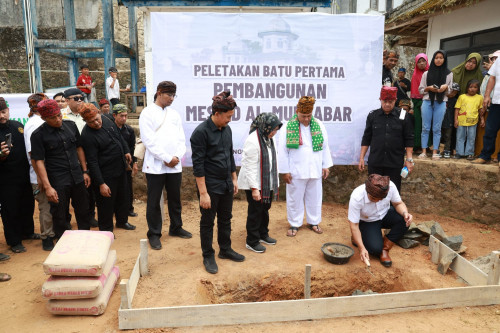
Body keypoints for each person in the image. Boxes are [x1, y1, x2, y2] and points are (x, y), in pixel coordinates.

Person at [190, 91, 245, 274]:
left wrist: (234, 178)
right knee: (207, 221)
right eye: (228, 117)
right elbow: (198, 166)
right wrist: (203, 193)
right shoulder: (200, 133)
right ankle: (208, 255)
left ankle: (225, 249)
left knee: (225, 218)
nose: (230, 120)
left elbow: (230, 154)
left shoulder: (227, 129)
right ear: (217, 113)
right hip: (210, 185)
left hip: (226, 183)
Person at [139, 81, 191, 250]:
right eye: (169, 95)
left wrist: (176, 156)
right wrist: (166, 158)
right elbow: (148, 140)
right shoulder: (147, 113)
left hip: (174, 164)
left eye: (173, 95)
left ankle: (176, 227)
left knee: (175, 198)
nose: (171, 98)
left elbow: (181, 139)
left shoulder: (174, 114)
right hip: (155, 165)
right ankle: (154, 234)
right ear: (159, 93)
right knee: (154, 201)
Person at [30, 99, 91, 239]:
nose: (58, 120)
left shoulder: (71, 125)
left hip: (77, 176)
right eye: (53, 118)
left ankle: (85, 240)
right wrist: (48, 187)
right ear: (44, 118)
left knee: (84, 210)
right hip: (57, 180)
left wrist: (85, 171)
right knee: (59, 214)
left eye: (59, 115)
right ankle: (63, 247)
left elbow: (79, 148)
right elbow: (38, 161)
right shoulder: (38, 135)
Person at [278, 96, 333, 237]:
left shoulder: (319, 124)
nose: (307, 119)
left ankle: (313, 222)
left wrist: (326, 165)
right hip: (295, 170)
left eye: (309, 116)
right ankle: (295, 224)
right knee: (294, 198)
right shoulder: (287, 127)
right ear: (297, 112)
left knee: (315, 197)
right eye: (303, 116)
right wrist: (284, 171)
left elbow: (325, 147)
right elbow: (282, 151)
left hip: (315, 169)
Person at [80, 103, 135, 232]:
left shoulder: (107, 119)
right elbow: (92, 162)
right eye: (91, 122)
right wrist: (101, 183)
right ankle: (106, 229)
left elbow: (119, 137)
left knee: (123, 197)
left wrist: (126, 150)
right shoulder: (87, 136)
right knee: (106, 204)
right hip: (105, 174)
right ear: (85, 121)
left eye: (97, 119)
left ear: (99, 113)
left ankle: (122, 221)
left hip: (120, 168)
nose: (97, 123)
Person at [237, 113, 282, 253]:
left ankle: (263, 234)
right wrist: (255, 189)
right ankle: (252, 240)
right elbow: (249, 167)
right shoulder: (253, 140)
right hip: (254, 183)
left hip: (266, 182)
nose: (275, 132)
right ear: (266, 127)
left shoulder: (267, 138)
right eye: (273, 129)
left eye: (276, 130)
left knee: (265, 208)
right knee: (255, 211)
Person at [348, 174, 413, 267]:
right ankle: (359, 237)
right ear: (368, 191)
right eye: (374, 198)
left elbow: (398, 203)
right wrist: (362, 248)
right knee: (375, 249)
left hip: (385, 214)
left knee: (404, 220)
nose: (377, 201)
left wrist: (405, 213)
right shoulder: (357, 196)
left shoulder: (390, 187)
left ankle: (385, 249)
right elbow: (353, 225)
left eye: (381, 199)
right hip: (368, 221)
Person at [359, 86, 414, 194]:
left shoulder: (403, 115)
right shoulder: (372, 116)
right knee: (373, 192)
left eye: (391, 101)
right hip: (376, 162)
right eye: (385, 101)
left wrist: (409, 159)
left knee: (393, 192)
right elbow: (366, 138)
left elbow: (409, 138)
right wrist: (361, 158)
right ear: (380, 100)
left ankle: (392, 211)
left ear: (395, 100)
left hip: (394, 163)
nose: (387, 104)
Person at [0, 97, 36, 253]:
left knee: (27, 205)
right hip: (5, 179)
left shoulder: (18, 126)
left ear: (8, 111)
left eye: (3, 111)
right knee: (10, 210)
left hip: (24, 175)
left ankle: (27, 232)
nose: (1, 116)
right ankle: (14, 241)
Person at [24, 93, 56, 251]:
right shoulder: (34, 125)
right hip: (39, 175)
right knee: (45, 207)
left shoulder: (41, 122)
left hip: (49, 172)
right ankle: (47, 237)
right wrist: (41, 180)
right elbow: (33, 156)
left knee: (52, 206)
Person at [63, 88, 98, 228]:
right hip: (71, 160)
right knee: (71, 193)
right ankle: (66, 221)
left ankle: (90, 216)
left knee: (91, 192)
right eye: (75, 98)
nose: (79, 101)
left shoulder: (88, 114)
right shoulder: (61, 117)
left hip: (90, 157)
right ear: (66, 101)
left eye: (81, 97)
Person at [418, 50, 453, 160]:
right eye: (436, 57)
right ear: (433, 59)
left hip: (441, 102)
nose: (438, 60)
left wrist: (446, 87)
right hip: (427, 101)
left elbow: (450, 92)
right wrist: (429, 88)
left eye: (441, 57)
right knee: (425, 128)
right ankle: (423, 151)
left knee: (437, 128)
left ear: (445, 59)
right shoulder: (426, 73)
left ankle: (435, 152)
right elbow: (421, 90)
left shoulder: (449, 74)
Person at [112, 104, 138, 217]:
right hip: (113, 163)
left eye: (125, 116)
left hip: (127, 163)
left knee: (127, 187)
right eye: (121, 116)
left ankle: (128, 209)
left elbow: (133, 148)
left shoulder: (129, 130)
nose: (124, 118)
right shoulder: (110, 129)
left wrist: (135, 163)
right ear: (114, 115)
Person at [476, 51, 500, 159]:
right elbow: (492, 78)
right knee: (490, 129)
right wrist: (486, 96)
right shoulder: (499, 61)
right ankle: (485, 156)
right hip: (496, 101)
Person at [454, 79, 484, 160]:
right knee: (460, 137)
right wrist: (456, 120)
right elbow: (457, 109)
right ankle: (459, 153)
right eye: (470, 87)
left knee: (471, 137)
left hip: (473, 121)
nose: (472, 89)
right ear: (467, 88)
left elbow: (480, 110)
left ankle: (469, 153)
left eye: (475, 87)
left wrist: (482, 119)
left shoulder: (480, 97)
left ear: (478, 89)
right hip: (461, 120)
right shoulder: (462, 97)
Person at [410, 53, 429, 153]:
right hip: (418, 105)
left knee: (428, 125)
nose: (421, 64)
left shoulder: (431, 73)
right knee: (418, 125)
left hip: (430, 103)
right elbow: (414, 92)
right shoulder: (415, 76)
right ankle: (417, 146)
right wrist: (419, 104)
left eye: (423, 61)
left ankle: (426, 146)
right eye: (419, 62)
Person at [442, 83, 460, 159]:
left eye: (455, 92)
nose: (453, 94)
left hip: (450, 121)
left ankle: (447, 150)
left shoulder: (456, 101)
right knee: (439, 135)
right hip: (440, 121)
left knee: (448, 136)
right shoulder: (442, 99)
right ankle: (438, 149)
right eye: (452, 91)